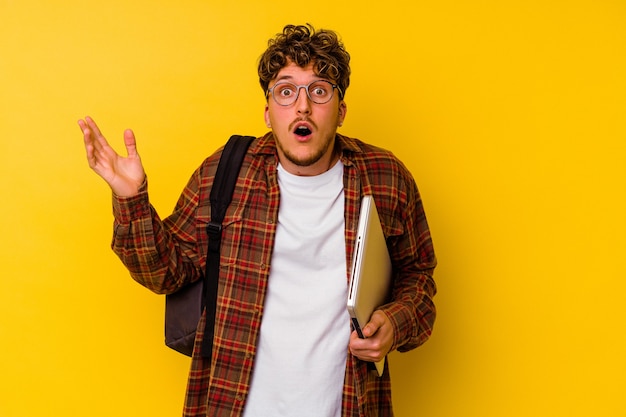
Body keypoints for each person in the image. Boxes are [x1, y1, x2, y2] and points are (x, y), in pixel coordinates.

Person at [79, 24, 437, 417]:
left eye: (319, 91)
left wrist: (393, 321)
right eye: (286, 91)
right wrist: (131, 199)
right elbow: (165, 272)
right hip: (233, 404)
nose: (302, 106)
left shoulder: (386, 177)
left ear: (341, 111)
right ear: (268, 113)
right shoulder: (226, 171)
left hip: (349, 404)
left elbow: (418, 278)